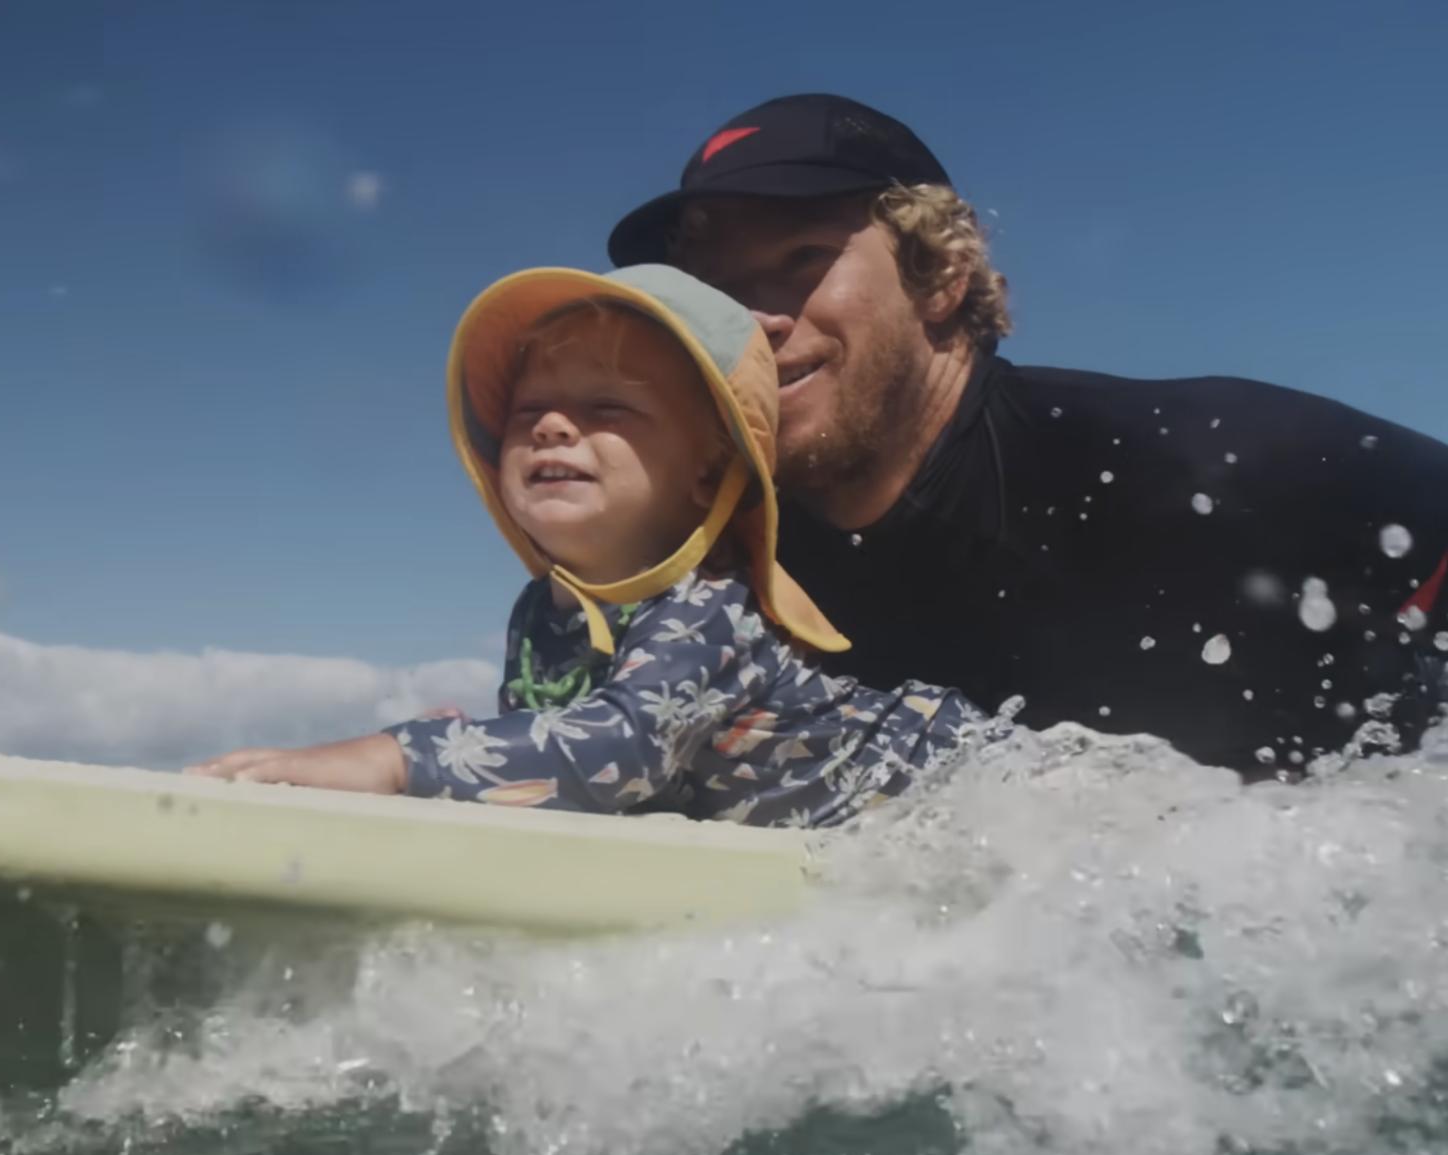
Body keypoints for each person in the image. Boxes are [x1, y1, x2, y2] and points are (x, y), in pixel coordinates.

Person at [607, 93, 1448, 777]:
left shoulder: (1194, 463)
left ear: (939, 276)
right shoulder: (730, 576)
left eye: (802, 259)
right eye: (716, 289)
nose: (753, 321)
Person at [192, 264, 975, 827]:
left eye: (609, 407)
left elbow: (623, 750)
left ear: (710, 471)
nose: (553, 426)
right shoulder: (542, 611)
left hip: (955, 778)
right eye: (532, 408)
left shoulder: (706, 609)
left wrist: (404, 757)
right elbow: (564, 761)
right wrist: (462, 747)